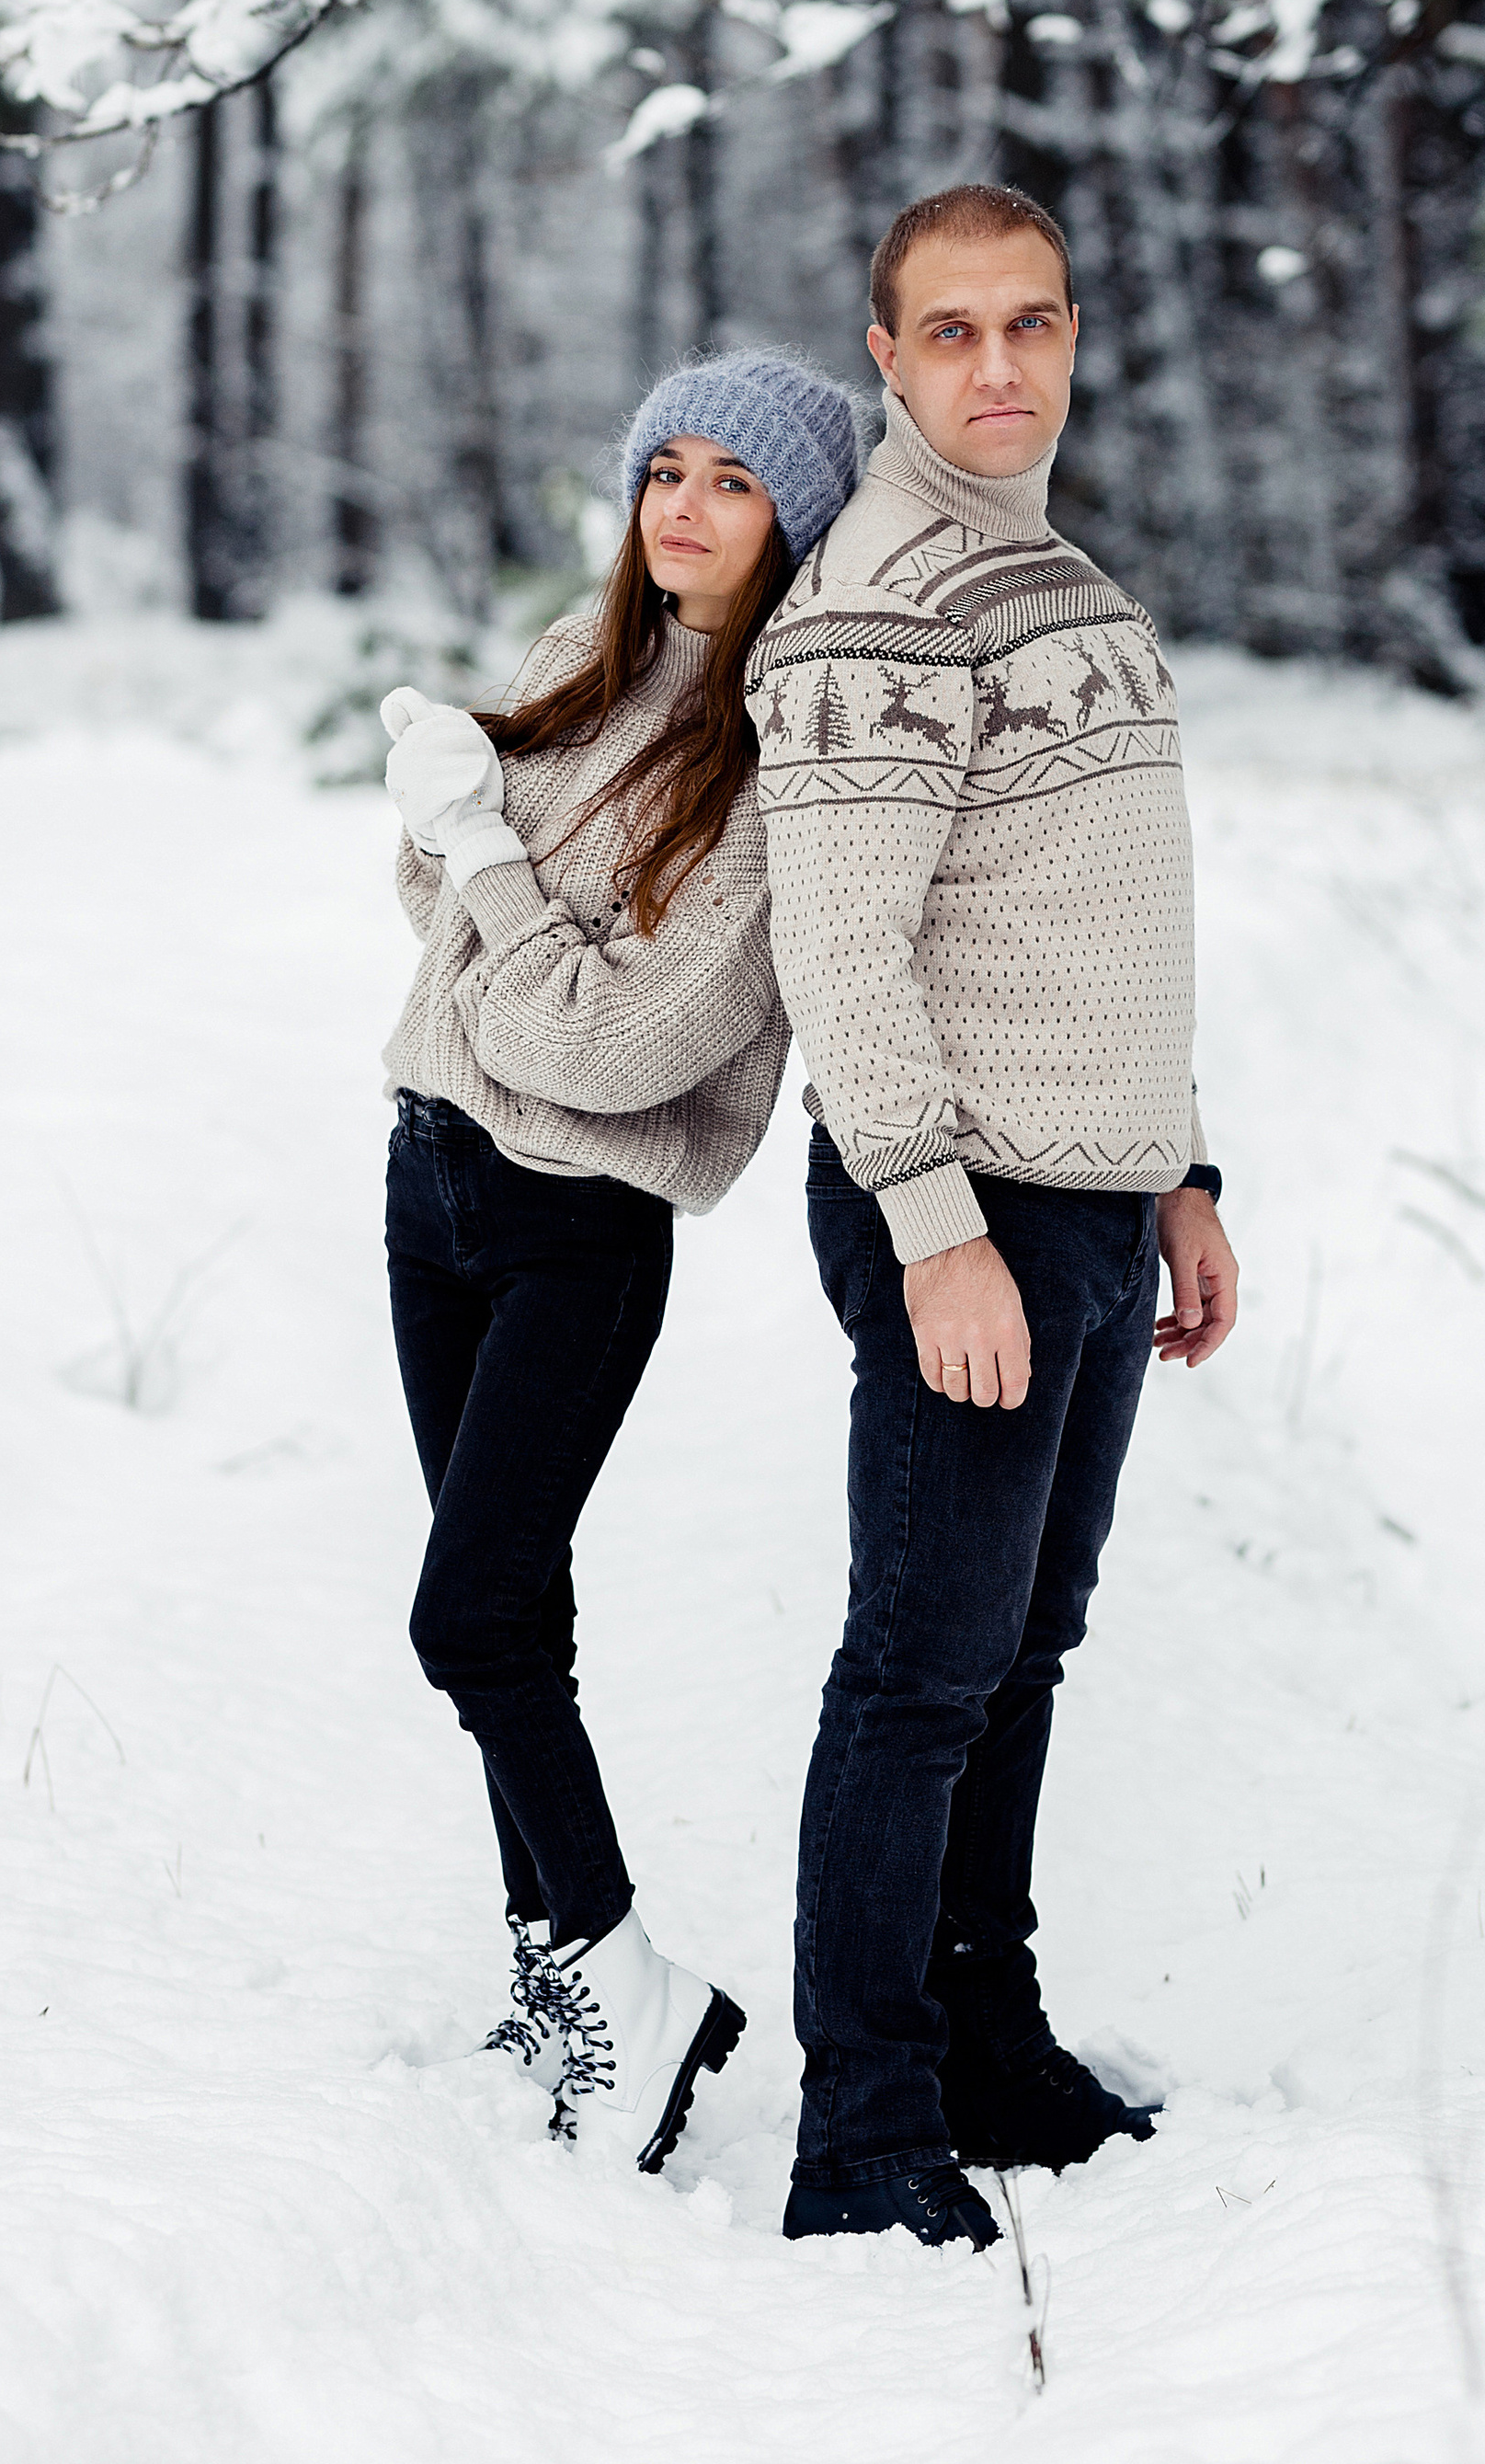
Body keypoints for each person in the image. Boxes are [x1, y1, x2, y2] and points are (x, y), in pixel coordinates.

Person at [748, 183, 1241, 2251]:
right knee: (920, 1672)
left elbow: (1093, 919)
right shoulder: (879, 600)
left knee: (1018, 1649)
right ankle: (859, 2130)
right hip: (963, 1208)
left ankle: (985, 2046)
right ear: (882, 354)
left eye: (1028, 323)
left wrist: (1182, 1172)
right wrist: (935, 1228)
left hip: (1085, 1199)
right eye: (947, 333)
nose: (995, 368)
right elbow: (844, 958)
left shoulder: (1046, 568)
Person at [378, 350, 858, 2175]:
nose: (681, 502)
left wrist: (485, 851)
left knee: (467, 1617)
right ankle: (555, 1960)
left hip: (577, 1222)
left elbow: (608, 1046)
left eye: (733, 479)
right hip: (428, 1175)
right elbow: (442, 926)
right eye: (667, 463)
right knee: (511, 1610)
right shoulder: (576, 685)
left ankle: (628, 1981)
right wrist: (473, 845)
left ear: (793, 525)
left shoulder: (763, 778)